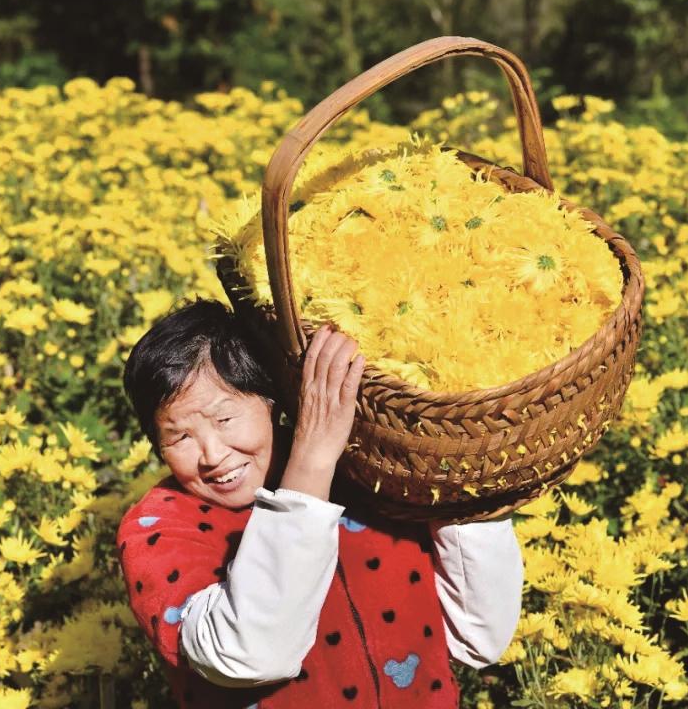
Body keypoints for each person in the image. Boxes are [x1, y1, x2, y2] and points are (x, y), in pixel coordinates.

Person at [117, 299, 524, 708]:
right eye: (179, 437)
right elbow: (250, 654)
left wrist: (461, 476)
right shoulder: (158, 528)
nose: (212, 454)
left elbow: (478, 637)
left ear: (272, 399)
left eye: (224, 419)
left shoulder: (366, 474)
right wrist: (311, 462)